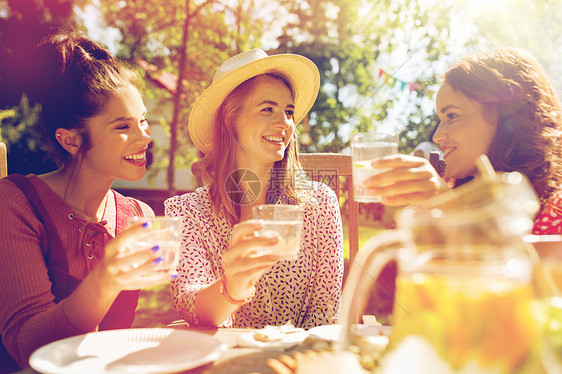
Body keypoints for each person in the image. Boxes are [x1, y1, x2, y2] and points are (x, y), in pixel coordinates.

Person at [0, 30, 172, 370]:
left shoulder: (138, 214)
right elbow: (27, 349)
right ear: (71, 140)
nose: (144, 137)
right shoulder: (15, 203)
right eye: (123, 126)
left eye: (143, 121)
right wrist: (106, 278)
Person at [165, 49, 344, 328]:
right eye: (267, 109)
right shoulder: (187, 212)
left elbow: (326, 310)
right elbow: (191, 303)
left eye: (288, 112)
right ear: (229, 121)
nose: (285, 123)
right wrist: (232, 286)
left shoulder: (319, 203)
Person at [365, 47, 562, 234]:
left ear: (505, 113)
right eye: (440, 120)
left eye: (451, 116)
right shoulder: (452, 193)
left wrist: (449, 205)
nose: (437, 136)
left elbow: (527, 264)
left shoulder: (557, 207)